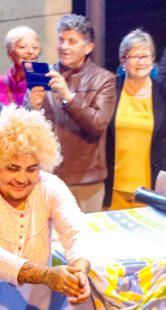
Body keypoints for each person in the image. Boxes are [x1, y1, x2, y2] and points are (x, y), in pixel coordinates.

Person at [0, 106, 94, 305]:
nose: (22, 178)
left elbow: (77, 232)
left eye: (31, 169)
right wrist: (46, 275)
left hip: (35, 299)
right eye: (13, 168)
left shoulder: (49, 185)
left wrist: (79, 271)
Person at [29, 14, 116, 214]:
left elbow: (98, 125)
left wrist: (68, 97)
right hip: (47, 176)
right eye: (61, 40)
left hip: (85, 180)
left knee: (84, 240)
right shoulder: (44, 75)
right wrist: (32, 107)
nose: (64, 46)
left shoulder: (104, 80)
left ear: (88, 48)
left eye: (72, 41)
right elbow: (28, 129)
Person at [105, 30, 166, 210]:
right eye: (135, 56)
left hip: (154, 191)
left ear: (153, 60)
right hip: (113, 190)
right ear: (123, 60)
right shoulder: (109, 92)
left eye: (146, 55)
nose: (141, 61)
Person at [0, 26, 41, 107]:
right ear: (9, 52)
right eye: (23, 47)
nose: (30, 51)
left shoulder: (44, 85)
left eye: (35, 48)